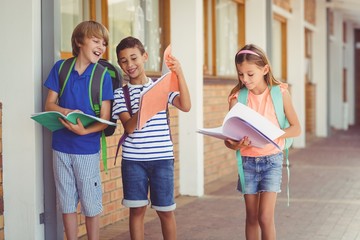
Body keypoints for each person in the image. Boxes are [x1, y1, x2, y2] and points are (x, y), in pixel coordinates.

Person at [112, 36, 191, 240]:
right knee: (137, 210)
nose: (130, 65)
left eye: (134, 58)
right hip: (133, 161)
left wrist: (179, 73)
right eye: (123, 61)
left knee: (165, 211)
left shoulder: (161, 87)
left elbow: (186, 105)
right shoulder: (121, 94)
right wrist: (147, 103)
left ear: (144, 56)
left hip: (162, 159)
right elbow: (129, 127)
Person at [44, 20, 113, 240]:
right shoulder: (60, 68)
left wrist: (83, 132)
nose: (101, 47)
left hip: (87, 148)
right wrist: (67, 111)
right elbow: (49, 105)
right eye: (95, 41)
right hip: (61, 147)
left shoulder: (103, 76)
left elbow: (105, 120)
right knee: (66, 202)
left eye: (103, 43)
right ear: (78, 42)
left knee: (91, 203)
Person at [225, 44, 301, 240]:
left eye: (250, 74)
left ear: (264, 70)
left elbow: (296, 128)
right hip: (248, 163)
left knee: (265, 217)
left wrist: (273, 134)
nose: (245, 79)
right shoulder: (237, 99)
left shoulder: (279, 93)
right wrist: (237, 144)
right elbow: (229, 140)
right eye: (241, 74)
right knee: (251, 217)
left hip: (272, 161)